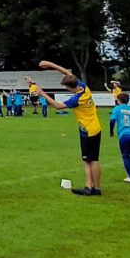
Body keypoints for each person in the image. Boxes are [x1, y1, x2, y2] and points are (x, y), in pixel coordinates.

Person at [39, 62, 106, 196]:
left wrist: (42, 93)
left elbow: (58, 106)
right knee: (87, 159)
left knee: (92, 159)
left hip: (89, 130)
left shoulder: (77, 99)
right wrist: (50, 65)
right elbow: (67, 73)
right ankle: (89, 186)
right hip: (91, 127)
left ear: (70, 87)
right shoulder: (83, 87)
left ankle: (96, 188)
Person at [109, 90, 130, 183]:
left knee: (125, 156)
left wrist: (111, 132)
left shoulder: (117, 109)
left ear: (119, 100)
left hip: (124, 135)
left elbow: (112, 121)